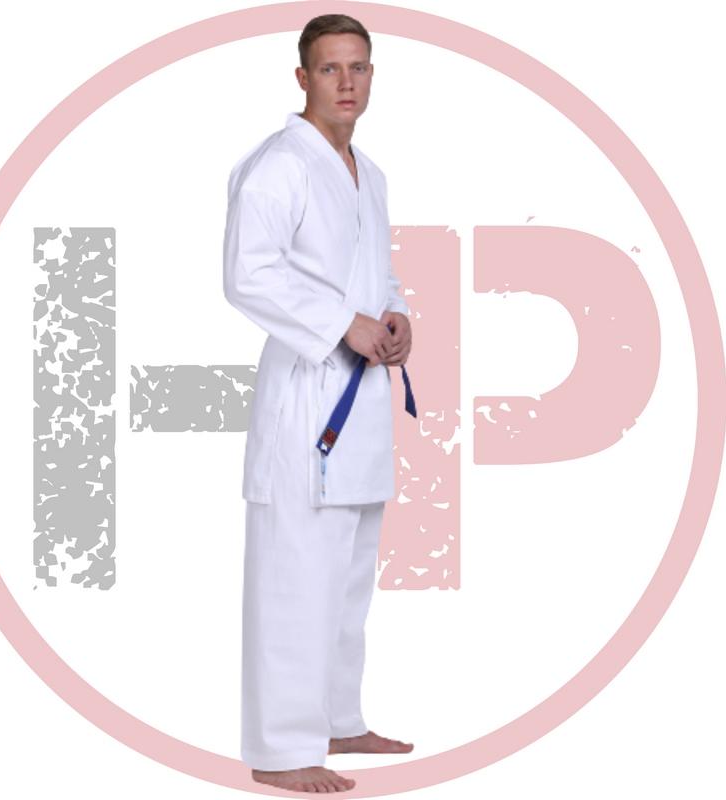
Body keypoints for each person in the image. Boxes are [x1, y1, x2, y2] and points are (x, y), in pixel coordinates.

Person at [222, 13, 414, 794]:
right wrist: (344, 325)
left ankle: (337, 717)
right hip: (307, 398)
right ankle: (280, 749)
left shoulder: (371, 173)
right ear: (301, 77)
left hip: (362, 396)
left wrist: (396, 319)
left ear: (372, 75)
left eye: (358, 67)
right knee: (295, 580)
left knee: (347, 577)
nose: (346, 82)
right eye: (330, 68)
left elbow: (377, 277)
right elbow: (248, 274)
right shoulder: (278, 166)